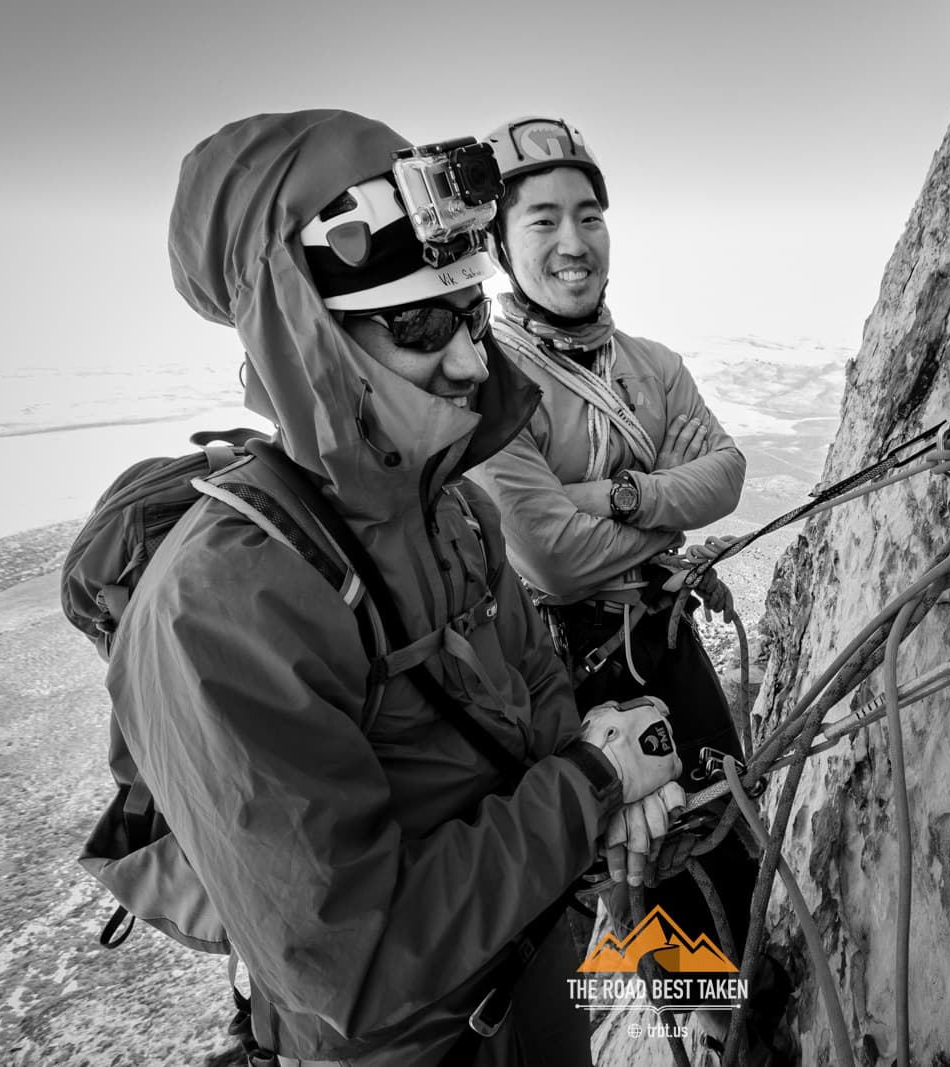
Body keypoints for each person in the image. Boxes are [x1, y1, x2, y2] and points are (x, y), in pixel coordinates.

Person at [110, 109, 686, 1067]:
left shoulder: (448, 506)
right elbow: (357, 961)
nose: (468, 360)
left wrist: (601, 783)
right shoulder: (224, 601)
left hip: (529, 974)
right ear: (305, 335)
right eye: (418, 324)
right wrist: (592, 784)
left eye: (468, 313)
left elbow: (535, 688)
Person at [470, 115, 789, 1057]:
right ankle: (705, 1020)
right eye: (542, 222)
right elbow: (549, 560)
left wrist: (610, 494)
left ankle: (758, 1001)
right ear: (499, 244)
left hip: (662, 634)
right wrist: (662, 507)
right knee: (633, 863)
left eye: (590, 215)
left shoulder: (653, 367)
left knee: (722, 825)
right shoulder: (486, 384)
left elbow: (725, 475)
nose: (574, 243)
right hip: (566, 675)